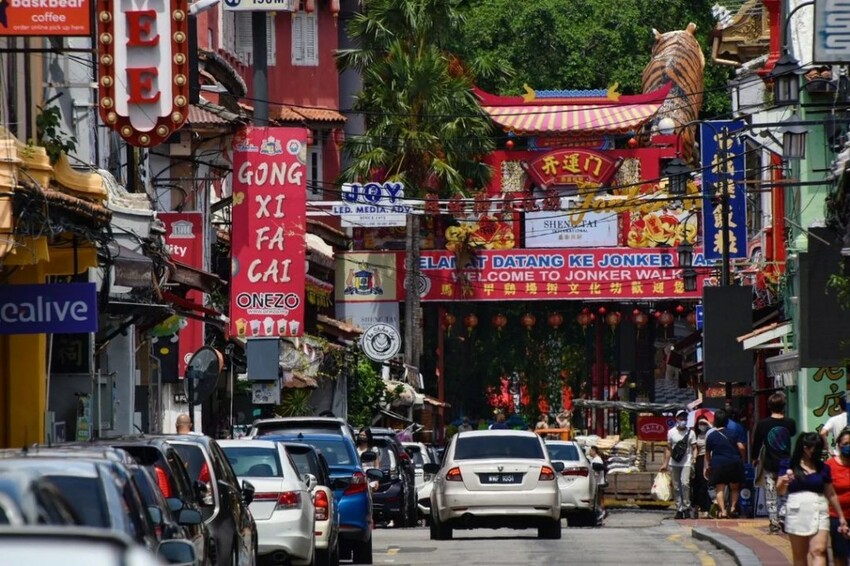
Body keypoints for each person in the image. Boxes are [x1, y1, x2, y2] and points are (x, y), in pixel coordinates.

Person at [778, 432, 849, 566]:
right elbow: (780, 490)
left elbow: (830, 493)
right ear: (803, 447)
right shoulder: (788, 464)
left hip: (819, 509)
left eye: (818, 448)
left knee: (819, 550)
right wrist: (783, 481)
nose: (815, 451)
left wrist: (841, 517)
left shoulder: (823, 468)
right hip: (796, 511)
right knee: (800, 555)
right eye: (812, 447)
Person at [752, 392, 797, 533]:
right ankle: (783, 516)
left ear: (769, 406)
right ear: (784, 406)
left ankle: (774, 521)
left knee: (770, 493)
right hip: (786, 463)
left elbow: (757, 443)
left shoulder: (763, 424)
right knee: (785, 491)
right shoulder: (790, 423)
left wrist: (754, 458)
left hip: (769, 463)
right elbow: (792, 434)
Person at [705, 409, 745, 519]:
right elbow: (741, 447)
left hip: (718, 463)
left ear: (715, 421)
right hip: (733, 462)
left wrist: (709, 465)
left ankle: (723, 511)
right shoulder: (733, 433)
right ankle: (732, 508)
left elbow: (707, 453)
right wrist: (742, 458)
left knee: (720, 488)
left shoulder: (711, 435)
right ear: (727, 421)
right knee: (735, 487)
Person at [661, 409, 698, 519]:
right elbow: (668, 449)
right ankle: (679, 508)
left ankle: (686, 506)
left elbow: (695, 448)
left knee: (685, 483)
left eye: (685, 419)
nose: (683, 421)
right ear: (676, 419)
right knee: (676, 486)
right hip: (674, 463)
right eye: (681, 419)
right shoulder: (671, 432)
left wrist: (694, 458)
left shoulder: (691, 433)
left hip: (686, 462)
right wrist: (665, 463)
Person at [825, 427, 850, 566]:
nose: (848, 447)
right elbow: (827, 491)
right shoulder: (830, 465)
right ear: (839, 445)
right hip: (836, 517)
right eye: (845, 443)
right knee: (840, 555)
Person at [693, 416, 713, 518]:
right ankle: (699, 506)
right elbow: (694, 448)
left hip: (709, 458)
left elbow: (714, 430)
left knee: (707, 483)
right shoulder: (696, 435)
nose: (702, 426)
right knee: (699, 483)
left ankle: (707, 507)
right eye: (700, 423)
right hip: (699, 459)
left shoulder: (710, 434)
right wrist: (694, 459)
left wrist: (708, 423)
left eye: (704, 423)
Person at [588, 445, 608, 523]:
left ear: (594, 451)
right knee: (599, 499)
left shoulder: (597, 460)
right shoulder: (595, 459)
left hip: (598, 482)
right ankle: (601, 512)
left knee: (598, 499)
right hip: (598, 482)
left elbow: (597, 471)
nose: (589, 452)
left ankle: (602, 512)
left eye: (590, 450)